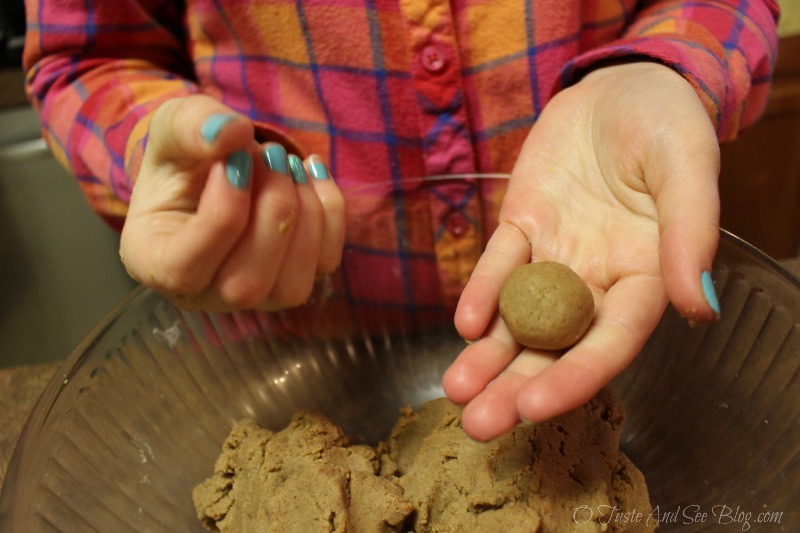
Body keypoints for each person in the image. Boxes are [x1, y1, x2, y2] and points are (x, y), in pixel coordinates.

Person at [22, 0, 780, 441]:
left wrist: (662, 65)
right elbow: (85, 59)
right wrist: (198, 169)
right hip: (292, 371)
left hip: (622, 339)